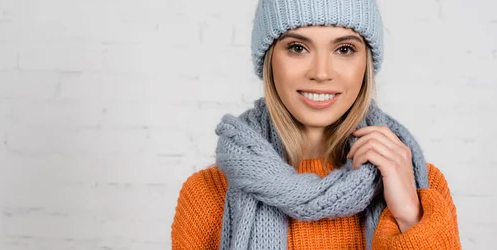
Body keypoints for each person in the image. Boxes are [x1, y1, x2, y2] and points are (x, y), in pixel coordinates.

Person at [171, 0, 461, 249]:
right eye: (297, 47)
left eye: (345, 49)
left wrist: (410, 216)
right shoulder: (208, 195)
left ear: (366, 63)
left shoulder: (418, 184)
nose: (321, 73)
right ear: (269, 60)